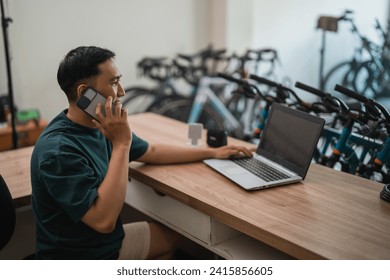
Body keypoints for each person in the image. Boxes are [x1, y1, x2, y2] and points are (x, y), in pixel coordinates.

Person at [30, 46, 252, 260]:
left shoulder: (100, 124)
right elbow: (104, 220)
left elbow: (151, 150)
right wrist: (121, 145)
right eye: (114, 82)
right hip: (82, 258)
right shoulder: (58, 151)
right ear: (84, 93)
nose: (122, 92)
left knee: (178, 241)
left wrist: (212, 152)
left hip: (100, 244)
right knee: (187, 242)